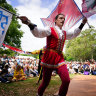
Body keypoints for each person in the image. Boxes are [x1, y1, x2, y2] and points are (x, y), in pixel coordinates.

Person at [19, 14, 87, 96]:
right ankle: (39, 94)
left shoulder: (64, 33)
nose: (63, 20)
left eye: (64, 19)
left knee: (66, 80)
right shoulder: (50, 29)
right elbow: (38, 32)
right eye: (60, 18)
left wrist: (82, 23)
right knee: (45, 82)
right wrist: (29, 23)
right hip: (49, 58)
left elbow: (74, 33)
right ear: (55, 20)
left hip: (59, 58)